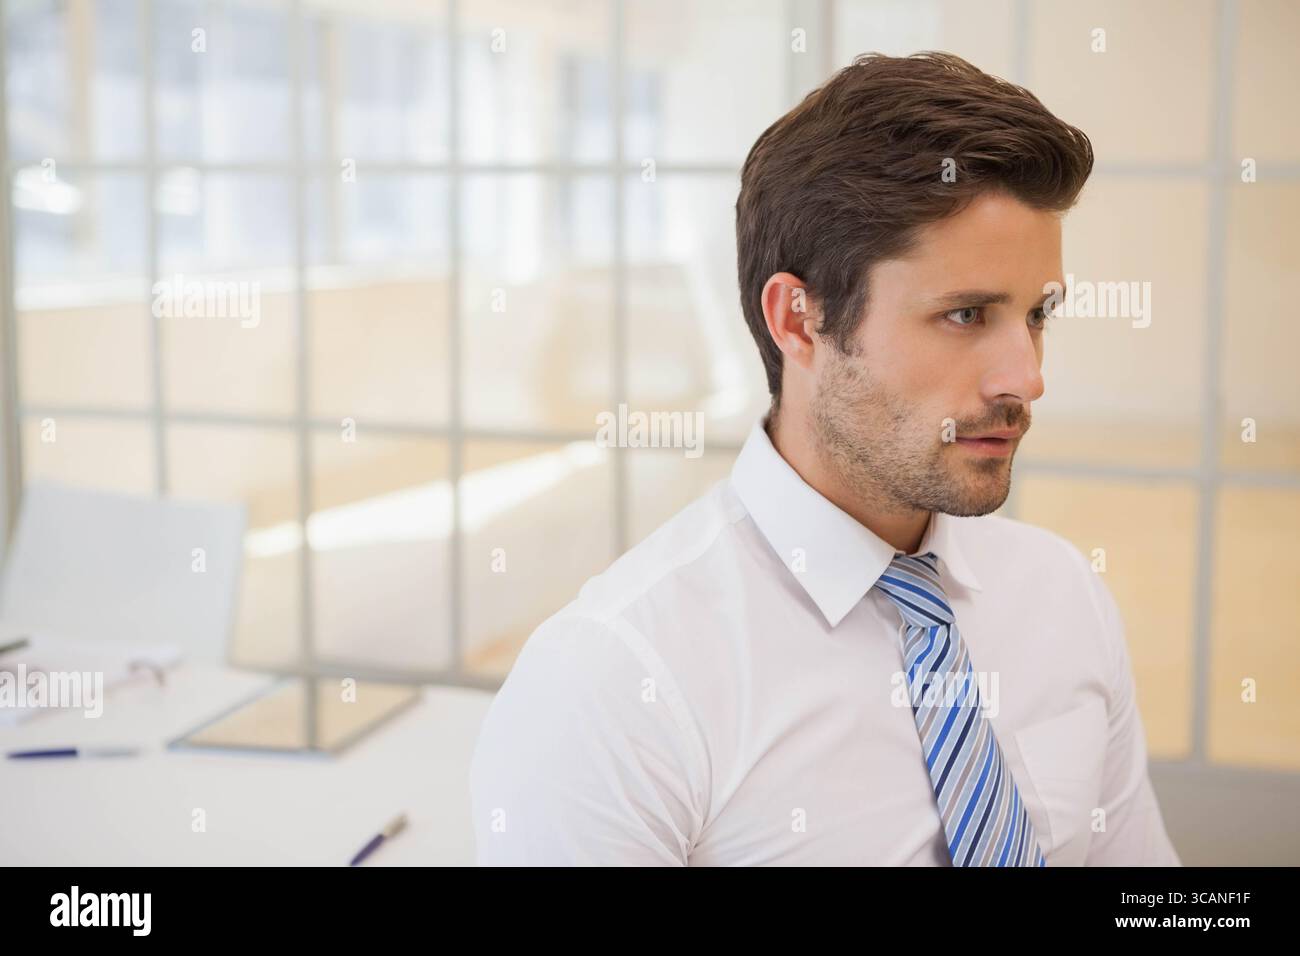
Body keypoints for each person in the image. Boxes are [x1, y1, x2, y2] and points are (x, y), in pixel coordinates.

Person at [469, 51, 1181, 866]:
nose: (1028, 378)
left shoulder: (1063, 596)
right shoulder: (614, 684)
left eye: (1035, 315)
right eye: (966, 314)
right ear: (799, 321)